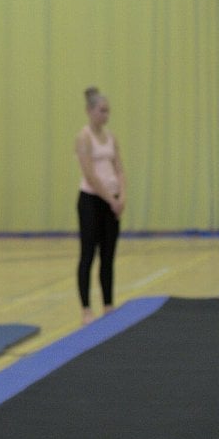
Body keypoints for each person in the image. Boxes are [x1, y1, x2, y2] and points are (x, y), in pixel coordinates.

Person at [75, 87, 126, 324]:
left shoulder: (111, 137)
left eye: (108, 111)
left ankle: (108, 303)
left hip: (112, 203)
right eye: (101, 111)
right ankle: (86, 308)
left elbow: (119, 168)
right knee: (88, 254)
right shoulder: (84, 137)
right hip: (91, 201)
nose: (105, 116)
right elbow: (90, 174)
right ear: (90, 111)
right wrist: (110, 198)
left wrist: (121, 196)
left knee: (108, 255)